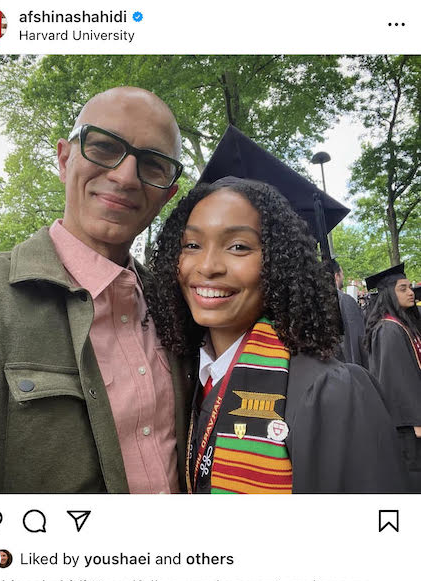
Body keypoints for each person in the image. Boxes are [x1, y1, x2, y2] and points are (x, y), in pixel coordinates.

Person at [0, 87, 195, 493]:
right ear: (64, 158)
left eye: (153, 165)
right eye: (104, 148)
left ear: (167, 195)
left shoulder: (177, 306)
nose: (125, 176)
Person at [147, 177, 407, 493]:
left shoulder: (330, 392)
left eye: (238, 246)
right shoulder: (187, 379)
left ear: (279, 263)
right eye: (192, 245)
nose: (208, 266)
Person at [364, 264, 421, 491]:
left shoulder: (402, 324)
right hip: (408, 425)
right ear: (389, 294)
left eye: (410, 287)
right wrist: (416, 420)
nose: (411, 292)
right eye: (403, 288)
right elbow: (397, 379)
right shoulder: (389, 329)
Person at [331, 259, 367, 366]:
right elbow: (354, 343)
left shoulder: (316, 302)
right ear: (336, 276)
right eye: (342, 274)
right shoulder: (344, 300)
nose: (343, 277)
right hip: (346, 368)